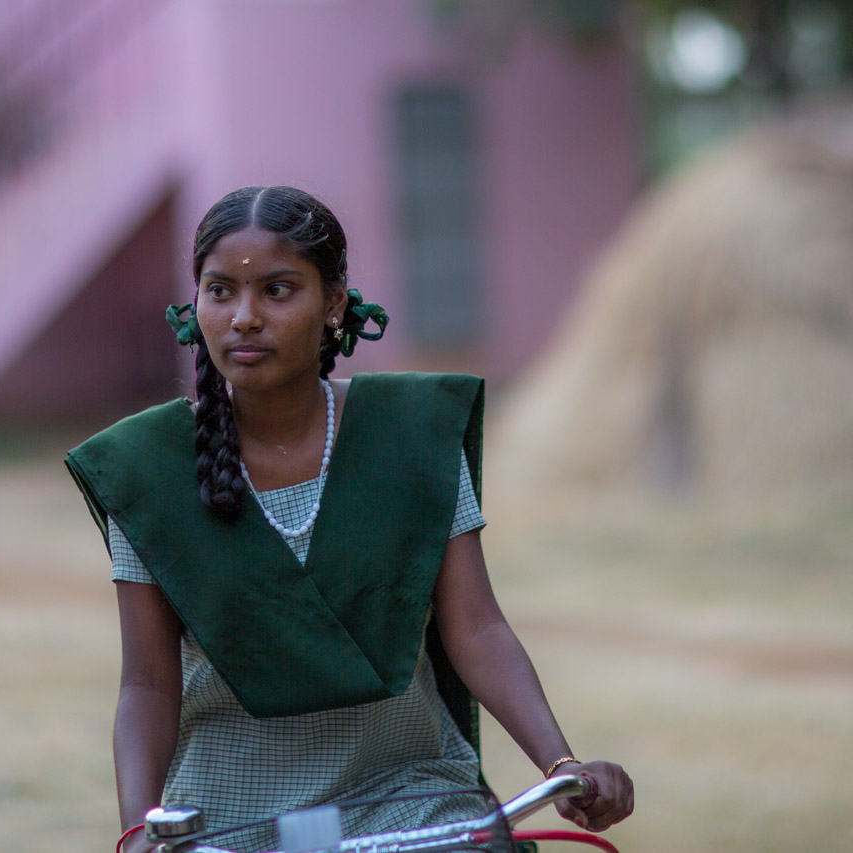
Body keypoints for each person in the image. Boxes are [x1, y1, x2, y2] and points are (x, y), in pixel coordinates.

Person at [66, 186, 635, 852]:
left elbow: (477, 625)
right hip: (230, 821)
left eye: (277, 290)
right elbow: (147, 684)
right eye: (220, 291)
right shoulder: (148, 468)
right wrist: (140, 829)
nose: (244, 317)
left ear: (334, 303)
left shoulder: (411, 435)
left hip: (412, 805)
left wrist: (561, 764)